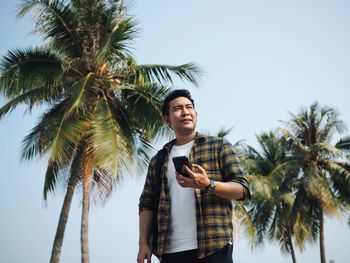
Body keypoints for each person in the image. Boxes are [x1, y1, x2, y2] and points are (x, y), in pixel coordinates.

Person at [137, 89, 250, 263]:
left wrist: (208, 184)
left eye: (189, 107)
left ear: (195, 113)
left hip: (214, 247)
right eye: (177, 108)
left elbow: (242, 190)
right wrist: (143, 243)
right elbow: (147, 204)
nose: (185, 112)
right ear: (167, 120)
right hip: (170, 252)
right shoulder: (158, 160)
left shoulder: (218, 146)